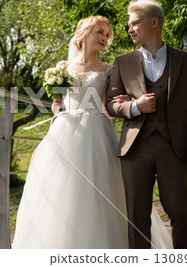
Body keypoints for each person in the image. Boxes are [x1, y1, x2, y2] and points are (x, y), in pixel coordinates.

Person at [11, 15, 172, 249]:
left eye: (107, 35)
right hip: (65, 133)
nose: (105, 38)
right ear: (84, 32)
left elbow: (109, 106)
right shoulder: (62, 68)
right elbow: (58, 105)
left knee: (103, 190)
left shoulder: (109, 69)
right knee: (62, 193)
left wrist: (127, 101)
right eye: (100, 32)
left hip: (97, 132)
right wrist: (58, 106)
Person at [106, 0, 187, 249]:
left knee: (180, 212)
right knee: (136, 217)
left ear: (154, 22)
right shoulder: (123, 62)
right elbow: (109, 104)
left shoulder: (186, 60)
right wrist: (133, 106)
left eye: (134, 23)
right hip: (134, 150)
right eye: (129, 25)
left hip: (175, 148)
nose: (130, 29)